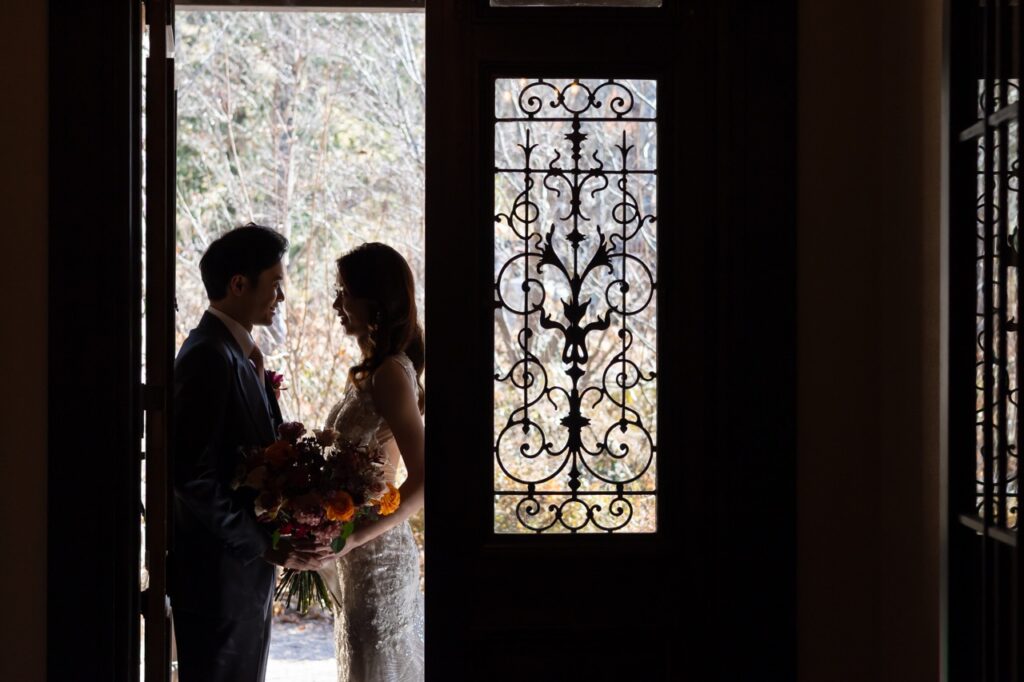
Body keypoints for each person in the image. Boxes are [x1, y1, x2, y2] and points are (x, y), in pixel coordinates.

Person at [170, 223, 332, 682]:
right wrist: (262, 545)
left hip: (238, 577)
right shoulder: (207, 356)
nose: (280, 297)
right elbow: (191, 476)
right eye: (275, 284)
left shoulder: (237, 354)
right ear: (239, 284)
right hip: (218, 578)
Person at [318, 242, 426, 682]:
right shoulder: (369, 370)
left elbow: (422, 482)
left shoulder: (391, 375)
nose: (336, 303)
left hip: (380, 556)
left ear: (374, 302)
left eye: (344, 292)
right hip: (355, 556)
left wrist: (355, 536)